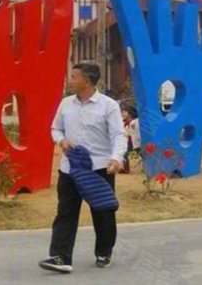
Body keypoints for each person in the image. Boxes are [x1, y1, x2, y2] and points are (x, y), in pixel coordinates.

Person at [39, 62, 127, 274]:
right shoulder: (66, 104)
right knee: (65, 213)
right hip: (70, 169)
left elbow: (118, 134)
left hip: (99, 169)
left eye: (74, 77)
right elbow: (55, 128)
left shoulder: (108, 106)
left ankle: (104, 251)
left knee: (102, 213)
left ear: (87, 82)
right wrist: (61, 141)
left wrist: (116, 158)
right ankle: (61, 256)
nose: (70, 80)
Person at [120, 107, 140, 174]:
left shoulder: (134, 122)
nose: (123, 114)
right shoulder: (124, 122)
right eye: (122, 112)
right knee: (125, 154)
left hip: (135, 140)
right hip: (129, 140)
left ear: (130, 114)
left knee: (143, 154)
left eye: (125, 112)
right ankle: (124, 169)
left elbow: (136, 132)